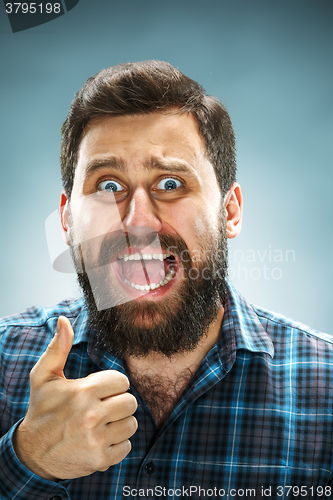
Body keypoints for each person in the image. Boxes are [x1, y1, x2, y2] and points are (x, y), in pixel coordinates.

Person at [0, 61, 332, 500]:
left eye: (170, 182)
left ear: (229, 211)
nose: (138, 222)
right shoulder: (5, 362)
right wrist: (25, 460)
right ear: (65, 218)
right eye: (107, 185)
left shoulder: (325, 388)